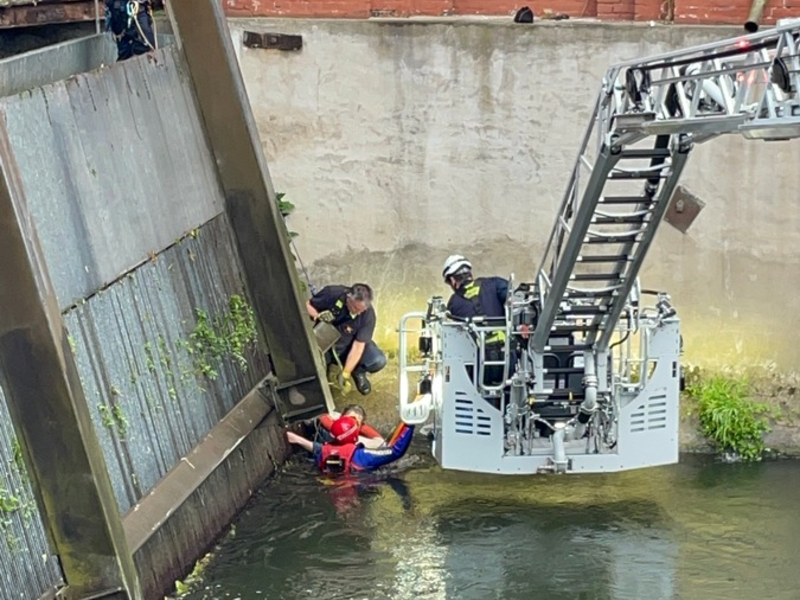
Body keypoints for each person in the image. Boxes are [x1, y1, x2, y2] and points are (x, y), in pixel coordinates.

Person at [306, 283, 386, 395]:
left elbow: (358, 346)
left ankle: (357, 372)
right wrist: (317, 316)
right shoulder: (332, 293)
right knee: (313, 371)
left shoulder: (368, 315)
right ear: (348, 298)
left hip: (349, 346)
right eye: (355, 308)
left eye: (361, 310)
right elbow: (308, 305)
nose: (358, 312)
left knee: (378, 360)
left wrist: (346, 373)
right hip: (326, 344)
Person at [442, 254, 510, 385]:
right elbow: (515, 298)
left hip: (479, 362)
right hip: (508, 356)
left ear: (452, 280)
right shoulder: (494, 283)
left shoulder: (453, 303)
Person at [286, 416, 414, 474]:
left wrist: (297, 439)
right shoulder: (362, 456)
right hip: (357, 485)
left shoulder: (324, 451)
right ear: (354, 436)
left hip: (331, 484)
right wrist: (410, 424)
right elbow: (396, 451)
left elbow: (315, 448)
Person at [318, 404, 385, 448]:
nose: (349, 425)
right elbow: (322, 416)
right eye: (348, 419)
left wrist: (358, 428)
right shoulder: (334, 419)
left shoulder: (360, 440)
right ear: (341, 417)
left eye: (356, 422)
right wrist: (337, 427)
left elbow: (382, 443)